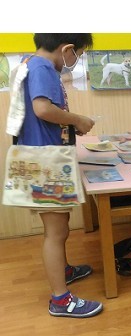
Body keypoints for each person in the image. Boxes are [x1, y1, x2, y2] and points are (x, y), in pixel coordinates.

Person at [10, 34, 102, 318]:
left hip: (44, 158)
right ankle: (60, 300)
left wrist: (71, 126)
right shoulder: (43, 67)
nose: (76, 61)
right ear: (67, 49)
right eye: (79, 55)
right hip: (45, 163)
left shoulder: (31, 62)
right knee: (56, 232)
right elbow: (42, 109)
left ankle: (63, 270)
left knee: (59, 225)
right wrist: (77, 119)